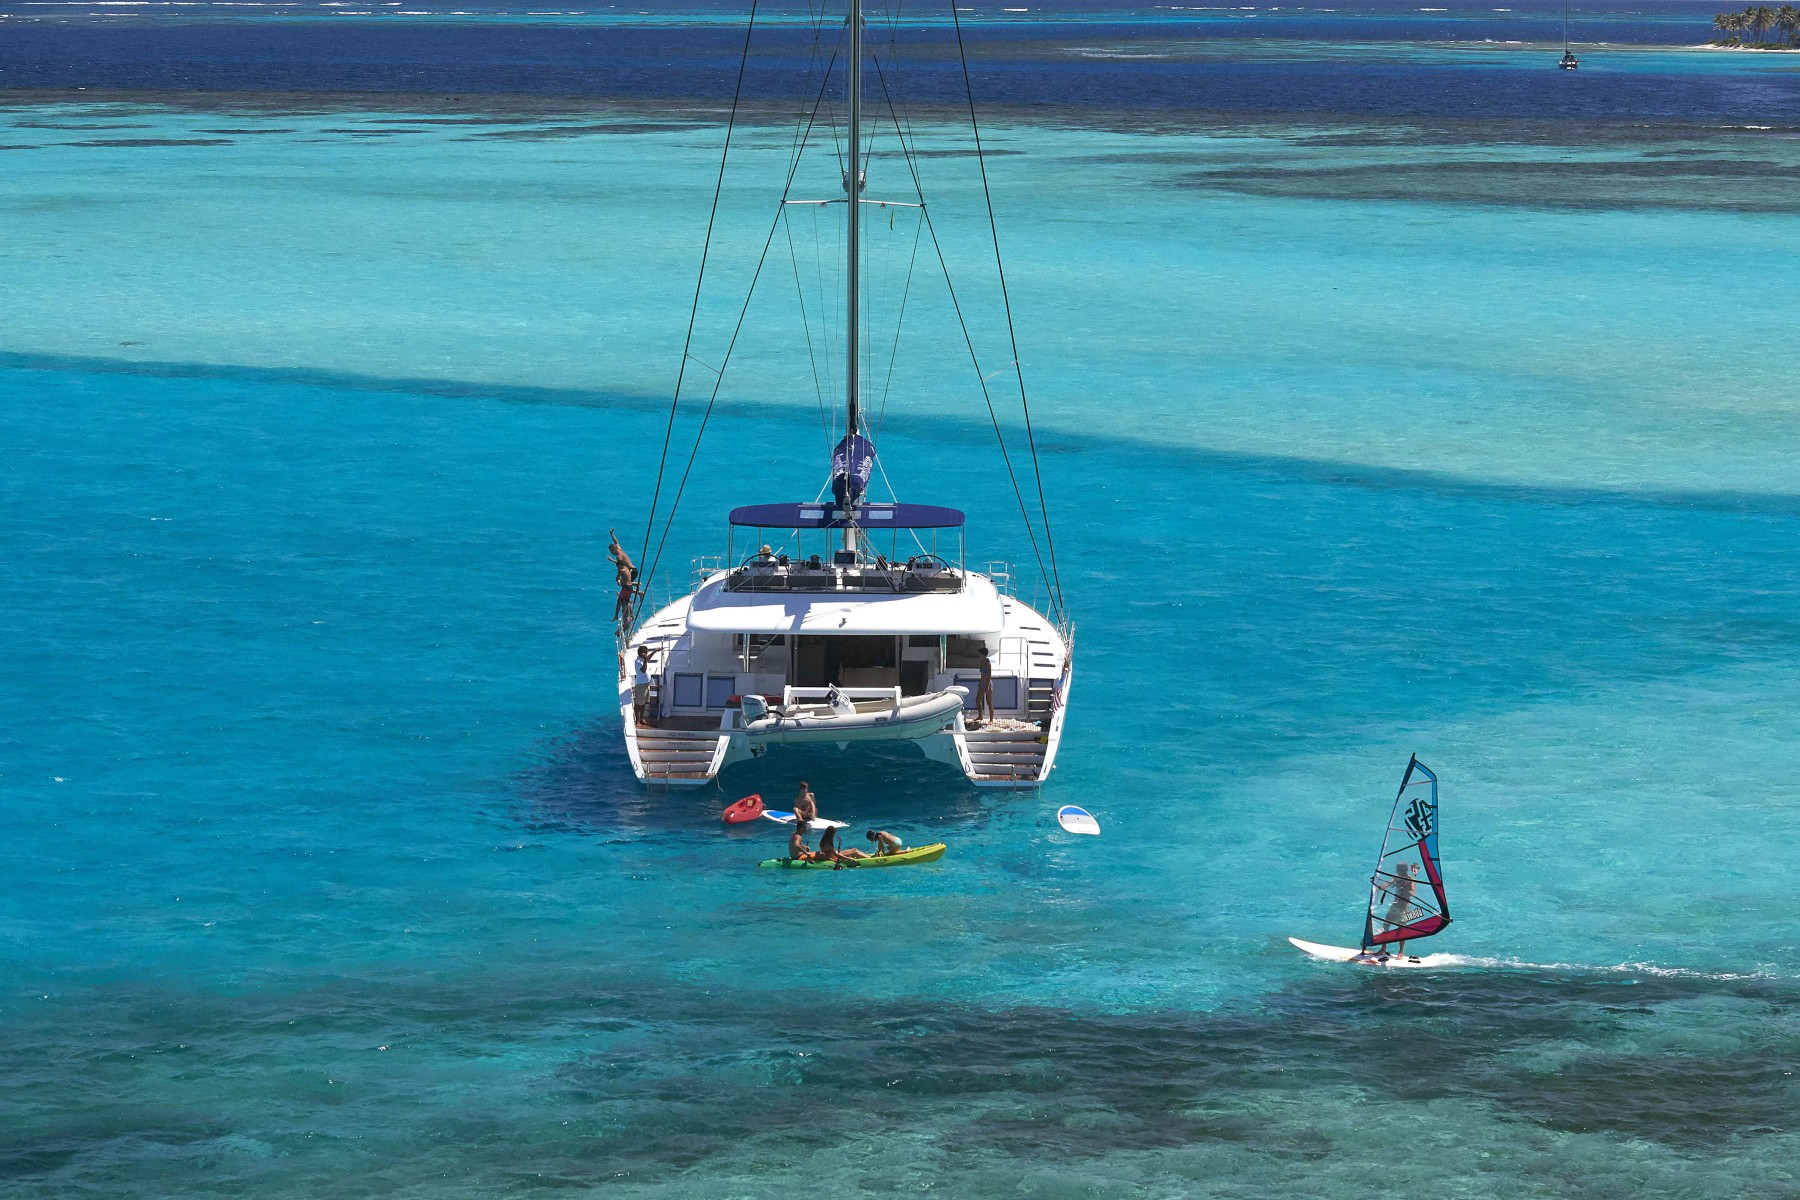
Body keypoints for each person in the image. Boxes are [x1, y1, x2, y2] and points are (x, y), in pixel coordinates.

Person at [1382, 862, 1420, 957]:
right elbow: (1387, 884)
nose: (1399, 872)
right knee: (1386, 924)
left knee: (1401, 928)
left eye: (1400, 870)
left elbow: (1413, 890)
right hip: (1395, 905)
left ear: (1404, 870)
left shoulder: (1411, 880)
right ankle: (1383, 949)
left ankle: (1401, 952)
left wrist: (1411, 892)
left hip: (1404, 906)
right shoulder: (1397, 877)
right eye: (1398, 870)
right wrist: (1378, 887)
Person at [632, 646, 655, 726]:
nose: (647, 654)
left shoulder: (643, 659)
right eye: (645, 652)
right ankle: (637, 720)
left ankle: (641, 718)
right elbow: (643, 670)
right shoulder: (638, 661)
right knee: (638, 704)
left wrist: (654, 651)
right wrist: (645, 660)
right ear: (641, 653)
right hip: (641, 685)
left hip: (646, 683)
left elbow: (647, 659)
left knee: (644, 703)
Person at [974, 644, 995, 725]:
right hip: (982, 682)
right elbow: (982, 674)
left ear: (982, 654)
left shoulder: (987, 662)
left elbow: (989, 675)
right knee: (977, 700)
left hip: (987, 683)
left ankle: (991, 719)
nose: (978, 655)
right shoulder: (981, 661)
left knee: (988, 702)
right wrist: (980, 682)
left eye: (979, 654)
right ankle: (980, 716)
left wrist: (986, 686)